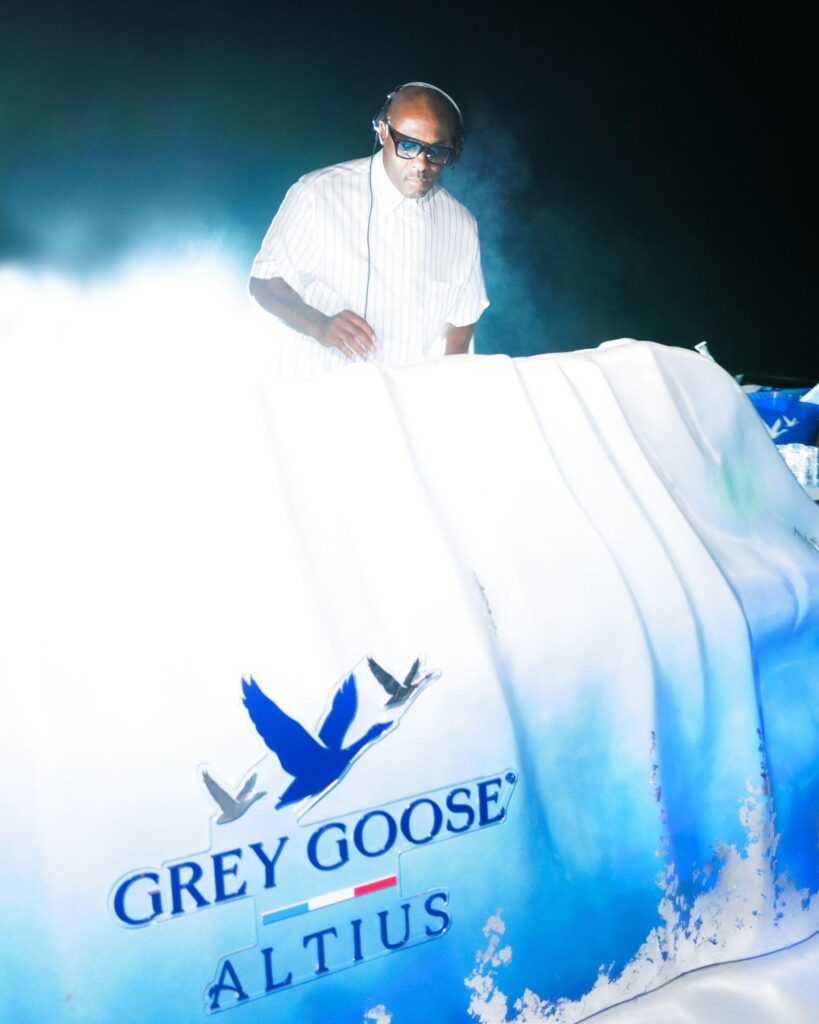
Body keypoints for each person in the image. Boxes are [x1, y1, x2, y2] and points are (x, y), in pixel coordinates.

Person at [249, 83, 489, 375]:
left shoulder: (462, 225)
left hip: (411, 400)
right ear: (383, 131)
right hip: (322, 391)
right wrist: (319, 324)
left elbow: (462, 321)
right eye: (409, 146)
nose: (421, 164)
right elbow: (265, 283)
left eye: (436, 151)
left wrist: (449, 384)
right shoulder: (318, 193)